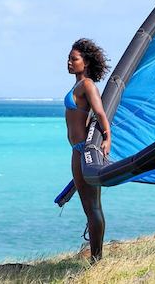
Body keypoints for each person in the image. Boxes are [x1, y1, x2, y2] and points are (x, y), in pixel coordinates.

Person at [64, 38, 111, 263]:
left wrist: (107, 139)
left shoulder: (87, 85)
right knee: (87, 206)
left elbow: (101, 113)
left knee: (93, 206)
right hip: (76, 150)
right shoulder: (76, 85)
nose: (69, 62)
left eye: (74, 59)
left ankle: (97, 258)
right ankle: (95, 254)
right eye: (69, 59)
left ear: (86, 62)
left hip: (85, 151)